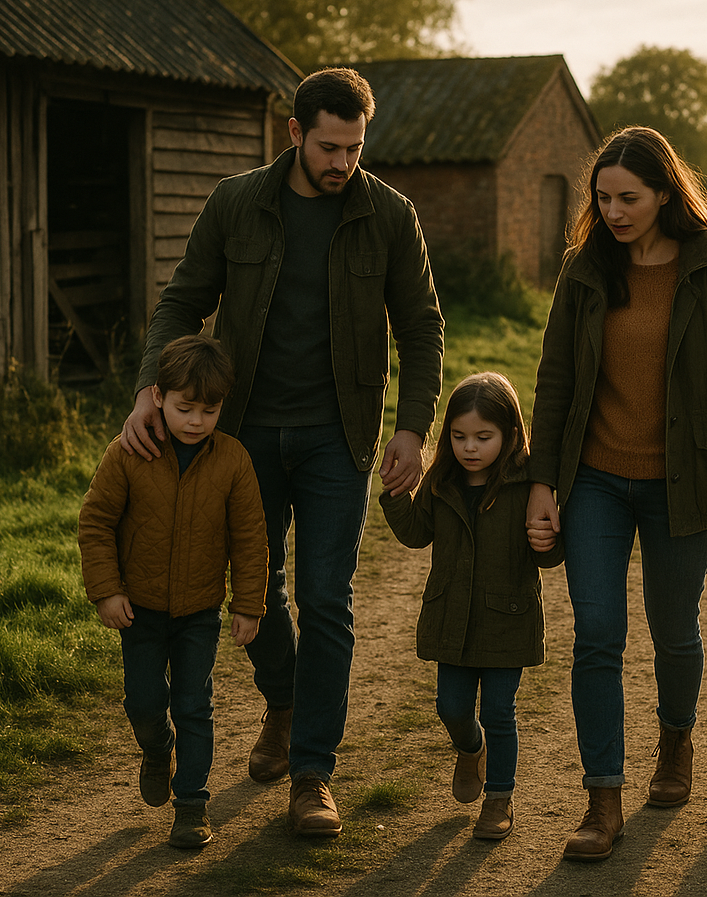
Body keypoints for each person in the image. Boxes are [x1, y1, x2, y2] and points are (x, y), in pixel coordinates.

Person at [119, 67, 444, 837]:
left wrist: (413, 426)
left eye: (355, 148)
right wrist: (147, 389)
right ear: (293, 133)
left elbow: (421, 324)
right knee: (256, 593)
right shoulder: (236, 203)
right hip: (244, 436)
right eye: (330, 147)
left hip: (341, 436)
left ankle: (312, 772)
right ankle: (285, 698)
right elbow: (181, 300)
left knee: (327, 598)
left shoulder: (390, 214)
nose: (343, 164)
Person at [525, 126, 707, 862]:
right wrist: (543, 481)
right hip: (595, 479)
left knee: (675, 629)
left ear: (666, 192)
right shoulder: (584, 268)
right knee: (597, 633)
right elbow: (554, 380)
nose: (613, 211)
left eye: (628, 197)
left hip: (686, 481)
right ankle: (602, 800)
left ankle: (675, 743)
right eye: (602, 198)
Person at [78, 334, 269, 849]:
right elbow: (96, 521)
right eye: (185, 408)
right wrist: (106, 591)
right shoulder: (130, 452)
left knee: (193, 704)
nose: (196, 421)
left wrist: (248, 604)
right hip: (137, 609)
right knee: (143, 701)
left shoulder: (233, 460)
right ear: (157, 396)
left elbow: (251, 538)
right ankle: (157, 747)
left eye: (209, 410)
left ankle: (192, 806)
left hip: (200, 611)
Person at [380, 372, 562, 841]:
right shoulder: (442, 482)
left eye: (484, 437)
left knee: (501, 710)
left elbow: (550, 552)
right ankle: (471, 747)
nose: (470, 448)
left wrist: (549, 539)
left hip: (508, 620)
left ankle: (499, 799)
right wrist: (397, 495)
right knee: (451, 707)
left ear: (510, 434)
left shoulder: (528, 484)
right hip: (452, 620)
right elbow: (417, 535)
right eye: (459, 437)